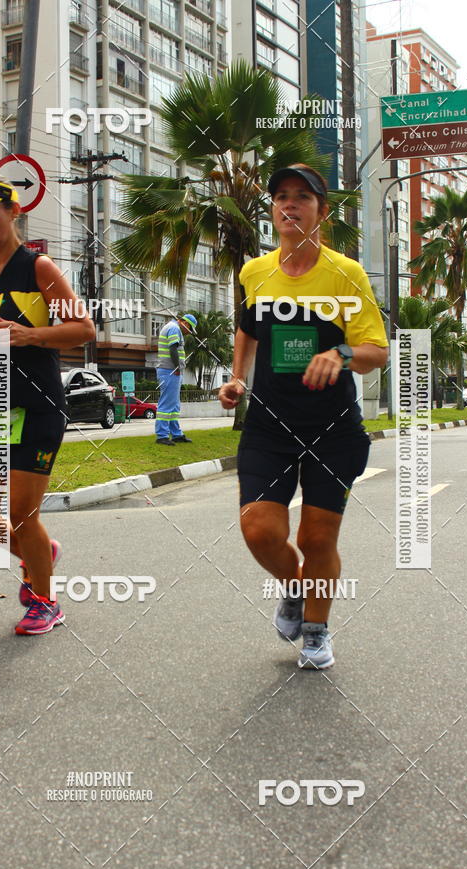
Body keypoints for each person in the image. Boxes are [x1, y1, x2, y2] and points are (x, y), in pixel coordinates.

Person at [219, 163, 389, 669]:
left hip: (332, 428)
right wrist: (237, 377)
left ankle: (316, 630)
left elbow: (376, 349)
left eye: (302, 197)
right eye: (281, 197)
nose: (289, 204)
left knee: (316, 537)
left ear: (322, 211)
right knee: (259, 530)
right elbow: (248, 326)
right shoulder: (256, 272)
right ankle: (295, 588)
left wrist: (340, 353)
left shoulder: (345, 274)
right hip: (269, 426)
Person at [0, 174, 95, 635]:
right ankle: (41, 554)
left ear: (14, 211)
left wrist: (28, 335)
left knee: (19, 512)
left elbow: (84, 330)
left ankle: (46, 602)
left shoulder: (38, 268)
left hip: (36, 405)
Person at [154, 313, 198, 445]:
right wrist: (177, 367)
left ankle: (176, 434)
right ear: (185, 323)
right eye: (189, 329)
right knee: (167, 404)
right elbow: (173, 348)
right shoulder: (174, 328)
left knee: (173, 405)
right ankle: (162, 436)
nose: (188, 332)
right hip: (170, 370)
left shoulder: (173, 327)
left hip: (170, 370)